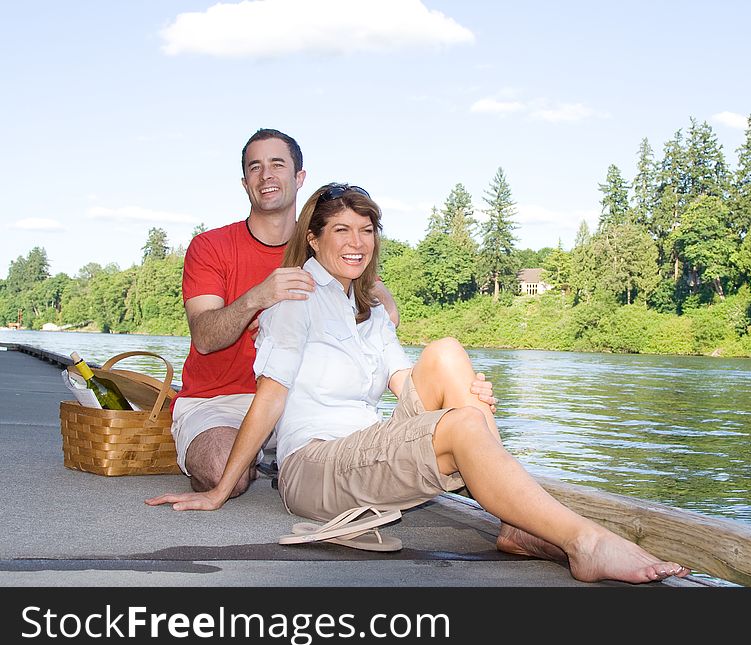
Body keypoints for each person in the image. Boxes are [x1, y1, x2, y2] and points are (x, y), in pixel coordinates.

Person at [148, 183, 689, 584]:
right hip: (314, 467)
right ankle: (584, 541)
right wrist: (221, 491)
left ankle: (517, 523)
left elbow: (404, 378)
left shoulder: (366, 304)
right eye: (341, 229)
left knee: (449, 355)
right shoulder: (295, 298)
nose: (357, 241)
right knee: (462, 427)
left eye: (366, 229)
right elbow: (269, 399)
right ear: (311, 239)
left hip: (364, 446)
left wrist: (464, 392)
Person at [173, 128, 496, 497]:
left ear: (299, 178)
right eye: (255, 167)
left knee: (455, 380)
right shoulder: (211, 246)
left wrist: (384, 312)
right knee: (220, 469)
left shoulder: (331, 241)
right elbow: (204, 337)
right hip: (224, 402)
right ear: (244, 182)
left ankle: (496, 491)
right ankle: (252, 460)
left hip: (303, 403)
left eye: (277, 164)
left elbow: (381, 312)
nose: (266, 175)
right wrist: (258, 298)